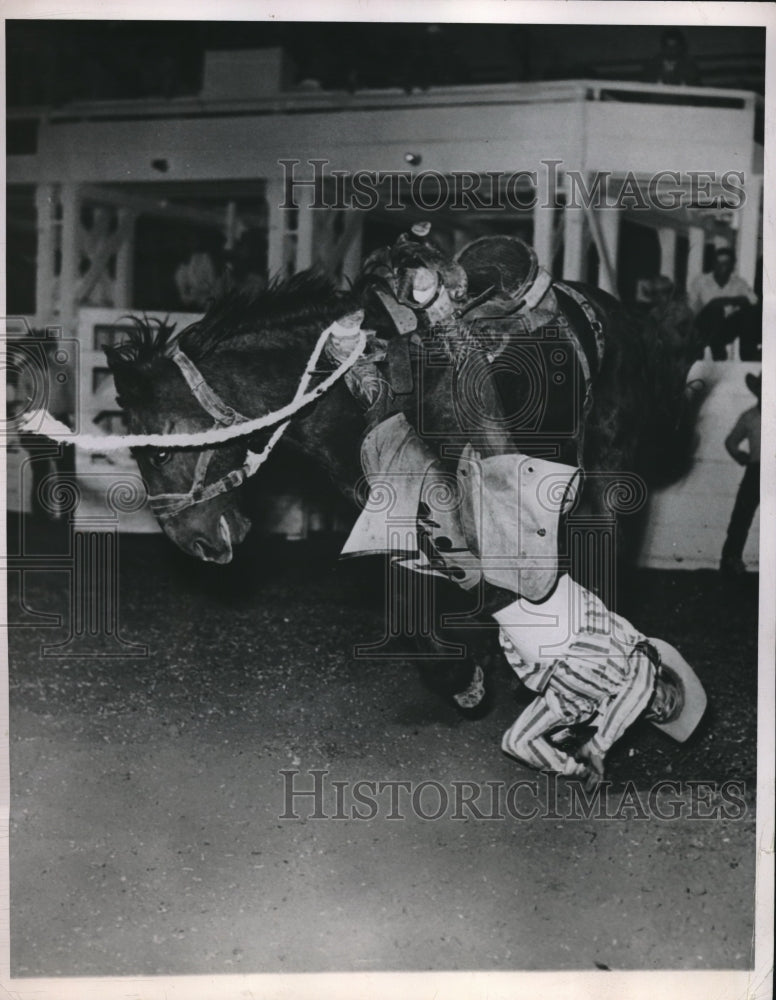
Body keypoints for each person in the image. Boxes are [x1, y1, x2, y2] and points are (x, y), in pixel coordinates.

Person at [340, 224, 706, 787]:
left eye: (659, 715)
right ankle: (438, 321)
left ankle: (370, 368)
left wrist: (569, 755)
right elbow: (631, 695)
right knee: (496, 454)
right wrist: (604, 743)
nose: (655, 708)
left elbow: (520, 739)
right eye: (664, 703)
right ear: (659, 673)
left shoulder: (569, 705)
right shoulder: (632, 666)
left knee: (410, 477)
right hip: (536, 585)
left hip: (507, 608)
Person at [720, 372, 761, 576]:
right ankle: (731, 560)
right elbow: (730, 441)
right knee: (741, 517)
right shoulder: (750, 417)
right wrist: (740, 455)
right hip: (756, 472)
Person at [689, 246, 760, 361]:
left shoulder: (739, 283)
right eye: (718, 263)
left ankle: (748, 355)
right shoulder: (701, 281)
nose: (721, 267)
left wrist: (722, 301)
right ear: (713, 264)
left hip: (724, 329)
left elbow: (753, 301)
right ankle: (712, 351)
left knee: (748, 314)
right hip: (703, 327)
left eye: (726, 263)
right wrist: (734, 301)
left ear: (732, 266)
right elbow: (692, 309)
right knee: (715, 309)